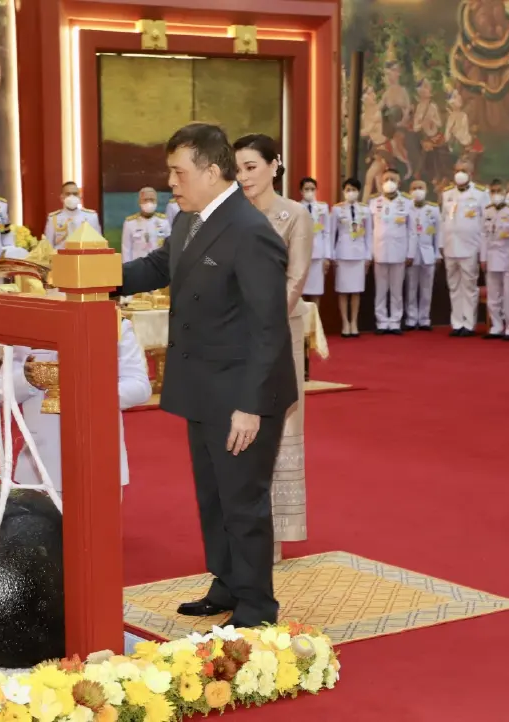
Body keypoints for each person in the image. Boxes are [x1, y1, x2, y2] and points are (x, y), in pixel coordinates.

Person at [118, 123, 297, 628]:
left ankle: (258, 606)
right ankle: (226, 582)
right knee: (213, 496)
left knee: (243, 500)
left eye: (178, 172)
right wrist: (85, 272)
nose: (171, 183)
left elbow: (269, 328)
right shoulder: (187, 219)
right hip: (202, 386)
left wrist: (251, 405)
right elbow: (156, 267)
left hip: (241, 390)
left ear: (212, 172)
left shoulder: (251, 231)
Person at [233, 132, 313, 561]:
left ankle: (274, 539)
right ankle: (241, 535)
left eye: (252, 167)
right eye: (239, 169)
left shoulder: (295, 215)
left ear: (274, 165)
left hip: (276, 335)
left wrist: (256, 326)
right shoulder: (230, 215)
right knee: (235, 429)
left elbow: (294, 281)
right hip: (233, 337)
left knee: (277, 429)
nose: (244, 176)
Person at [11, 316, 151, 493]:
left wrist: (85, 391)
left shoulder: (113, 323)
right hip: (39, 464)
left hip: (98, 458)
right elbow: (2, 390)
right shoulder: (25, 322)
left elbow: (140, 387)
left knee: (100, 520)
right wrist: (29, 379)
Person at [441, 160, 489, 336]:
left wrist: (482, 251)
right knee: (454, 286)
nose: (460, 173)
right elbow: (443, 219)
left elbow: (485, 223)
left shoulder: (481, 194)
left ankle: (469, 324)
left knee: (469, 286)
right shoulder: (447, 193)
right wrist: (441, 244)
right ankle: (457, 322)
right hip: (450, 245)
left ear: (471, 173)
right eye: (457, 170)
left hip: (470, 245)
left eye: (464, 170)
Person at [369, 168, 415, 334]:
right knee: (381, 290)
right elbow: (369, 229)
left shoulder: (407, 202)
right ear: (381, 182)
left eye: (393, 179)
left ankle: (395, 321)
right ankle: (381, 322)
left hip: (399, 252)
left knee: (396, 290)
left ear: (399, 182)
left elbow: (412, 230)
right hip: (379, 251)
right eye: (386, 179)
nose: (389, 182)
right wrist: (370, 253)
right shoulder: (374, 202)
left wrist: (410, 253)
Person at [331, 178, 372, 337]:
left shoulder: (365, 210)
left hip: (359, 254)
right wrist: (331, 255)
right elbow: (330, 233)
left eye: (354, 189)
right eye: (348, 189)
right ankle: (345, 323)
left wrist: (368, 256)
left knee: (356, 291)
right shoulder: (336, 210)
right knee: (342, 291)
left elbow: (369, 234)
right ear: (343, 191)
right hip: (342, 253)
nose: (351, 192)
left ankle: (354, 322)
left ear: (359, 191)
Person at [481, 179, 509, 339]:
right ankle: (496, 326)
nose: (496, 194)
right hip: (491, 256)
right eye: (493, 191)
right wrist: (483, 258)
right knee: (493, 294)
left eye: (499, 191)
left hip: (508, 257)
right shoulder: (487, 210)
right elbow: (483, 235)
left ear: (505, 192)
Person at [405, 180, 440, 331]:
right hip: (411, 254)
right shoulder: (405, 207)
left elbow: (438, 233)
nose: (417, 190)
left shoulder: (433, 208)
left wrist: (438, 253)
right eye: (414, 188)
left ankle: (425, 318)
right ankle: (411, 318)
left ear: (426, 190)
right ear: (409, 190)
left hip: (428, 252)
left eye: (421, 187)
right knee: (411, 287)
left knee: (427, 288)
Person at [298, 177, 331, 302]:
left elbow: (327, 232)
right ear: (301, 191)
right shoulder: (296, 207)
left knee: (316, 291)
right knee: (301, 291)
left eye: (312, 189)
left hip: (318, 254)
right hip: (301, 255)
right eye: (306, 189)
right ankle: (302, 321)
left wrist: (327, 256)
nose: (310, 191)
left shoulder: (323, 208)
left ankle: (315, 321)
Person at [43, 181, 101, 249]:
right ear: (62, 197)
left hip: (84, 257)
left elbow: (99, 243)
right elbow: (48, 245)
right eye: (68, 194)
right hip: (61, 257)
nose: (72, 196)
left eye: (75, 194)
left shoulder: (91, 216)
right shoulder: (53, 218)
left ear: (80, 196)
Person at [121, 188, 171, 262]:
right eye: (145, 200)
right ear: (139, 202)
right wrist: (128, 270)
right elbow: (126, 250)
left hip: (158, 266)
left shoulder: (164, 221)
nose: (149, 203)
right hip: (138, 266)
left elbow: (169, 247)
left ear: (156, 201)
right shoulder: (130, 223)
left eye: (152, 199)